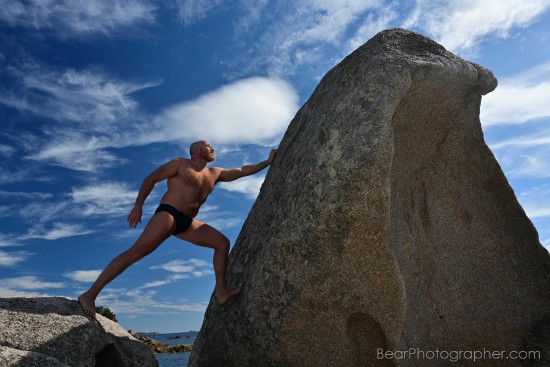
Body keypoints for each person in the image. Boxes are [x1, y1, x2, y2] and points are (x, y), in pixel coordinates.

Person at [78, 140, 276, 318]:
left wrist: (266, 163)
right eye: (209, 146)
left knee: (222, 243)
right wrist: (138, 206)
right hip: (168, 214)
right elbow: (151, 179)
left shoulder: (214, 173)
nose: (213, 149)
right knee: (136, 252)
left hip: (187, 223)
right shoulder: (179, 164)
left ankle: (222, 291)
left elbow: (242, 170)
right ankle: (90, 295)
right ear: (198, 150)